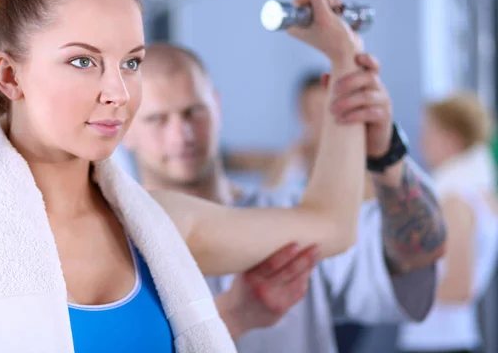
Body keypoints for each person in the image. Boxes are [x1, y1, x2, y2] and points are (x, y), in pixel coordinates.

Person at [0, 0, 374, 352]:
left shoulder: (160, 226)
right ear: (9, 77)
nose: (118, 92)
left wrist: (346, 65)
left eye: (131, 62)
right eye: (82, 61)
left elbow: (331, 224)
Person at [123, 42, 447, 352]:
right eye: (157, 119)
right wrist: (236, 315)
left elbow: (417, 254)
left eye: (194, 111)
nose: (183, 135)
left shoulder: (298, 216)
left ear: (218, 106)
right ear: (123, 129)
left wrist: (386, 154)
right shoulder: (112, 244)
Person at [397, 93, 498, 353]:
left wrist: (394, 290)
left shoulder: (455, 198)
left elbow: (459, 287)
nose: (421, 142)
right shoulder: (473, 190)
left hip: (440, 343)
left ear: (452, 138)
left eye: (429, 133)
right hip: (443, 340)